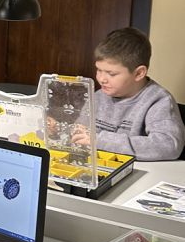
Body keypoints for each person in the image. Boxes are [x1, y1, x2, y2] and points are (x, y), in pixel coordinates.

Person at [72, 27, 184, 161]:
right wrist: (59, 131)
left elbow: (168, 145)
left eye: (111, 74)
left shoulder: (158, 100)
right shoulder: (99, 95)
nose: (101, 79)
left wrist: (99, 140)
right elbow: (81, 133)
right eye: (99, 70)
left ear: (139, 73)